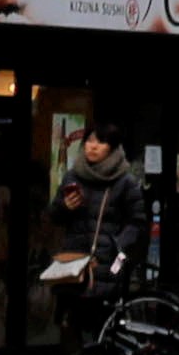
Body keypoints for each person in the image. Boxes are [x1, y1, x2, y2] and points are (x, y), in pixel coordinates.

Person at [51, 128, 153, 338]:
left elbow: (138, 222)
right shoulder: (73, 176)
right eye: (89, 141)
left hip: (107, 265)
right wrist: (64, 206)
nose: (93, 146)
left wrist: (118, 248)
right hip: (74, 264)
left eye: (101, 142)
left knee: (104, 330)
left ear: (113, 148)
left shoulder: (125, 182)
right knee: (68, 327)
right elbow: (53, 216)